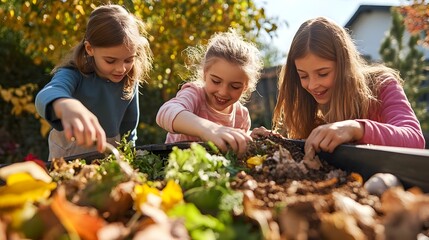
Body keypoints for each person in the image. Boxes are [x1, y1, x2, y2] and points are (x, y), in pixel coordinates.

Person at [252, 16, 425, 159]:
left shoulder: (382, 84)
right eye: (303, 76)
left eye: (323, 73)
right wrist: (274, 143)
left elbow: (414, 139)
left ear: (344, 66)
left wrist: (355, 128)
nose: (312, 85)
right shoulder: (309, 103)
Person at [35, 4, 153, 161]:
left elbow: (129, 128)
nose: (121, 69)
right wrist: (66, 105)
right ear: (90, 48)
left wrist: (129, 156)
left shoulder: (129, 79)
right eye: (110, 61)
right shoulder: (73, 74)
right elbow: (47, 94)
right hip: (69, 154)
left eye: (128, 60)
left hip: (110, 153)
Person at [156, 29, 263, 155]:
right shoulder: (195, 94)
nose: (223, 92)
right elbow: (165, 112)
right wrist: (209, 129)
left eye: (235, 86)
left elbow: (237, 151)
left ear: (245, 87)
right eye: (216, 81)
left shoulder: (241, 115)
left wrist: (253, 138)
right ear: (205, 74)